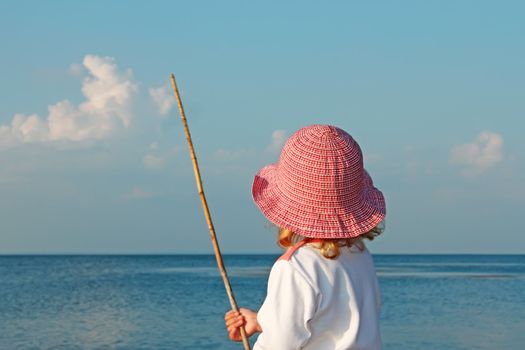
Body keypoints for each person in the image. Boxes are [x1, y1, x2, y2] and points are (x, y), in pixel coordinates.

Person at [224, 124, 386, 349]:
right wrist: (261, 321)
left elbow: (280, 345)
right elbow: (330, 323)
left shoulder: (295, 268)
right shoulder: (359, 255)